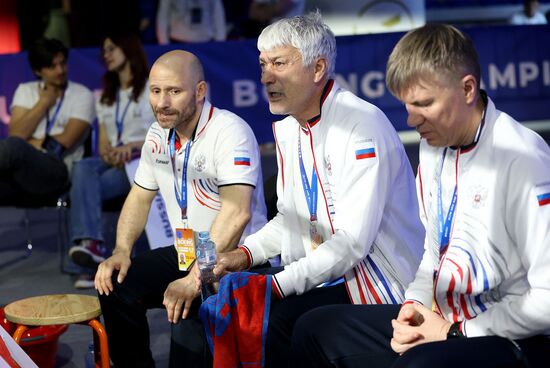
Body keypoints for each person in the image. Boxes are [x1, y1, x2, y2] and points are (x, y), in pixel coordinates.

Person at [289, 23, 550, 368]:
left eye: (424, 103)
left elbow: (546, 301)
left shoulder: (522, 159)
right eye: (406, 105)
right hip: (445, 319)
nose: (412, 119)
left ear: (468, 89)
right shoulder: (434, 145)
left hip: (513, 339)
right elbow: (434, 253)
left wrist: (454, 332)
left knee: (418, 365)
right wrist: (412, 308)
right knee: (314, 328)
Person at [214, 12, 424, 366]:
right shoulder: (292, 127)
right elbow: (292, 218)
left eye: (279, 63)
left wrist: (278, 283)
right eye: (263, 64)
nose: (266, 77)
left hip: (384, 285)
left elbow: (352, 243)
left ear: (317, 68)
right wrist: (244, 254)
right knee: (233, 306)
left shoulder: (360, 127)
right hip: (331, 272)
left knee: (280, 319)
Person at [95, 50, 267, 367]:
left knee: (186, 327)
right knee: (116, 286)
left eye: (174, 91)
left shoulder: (229, 132)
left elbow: (237, 213)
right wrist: (121, 250)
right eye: (156, 91)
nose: (162, 102)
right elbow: (139, 196)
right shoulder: (158, 134)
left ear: (200, 91)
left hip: (236, 260)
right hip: (187, 250)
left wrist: (195, 277)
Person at [67, 33, 154, 289]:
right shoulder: (107, 95)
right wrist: (109, 152)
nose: (106, 55)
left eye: (112, 48)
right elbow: (104, 143)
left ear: (128, 50)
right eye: (104, 50)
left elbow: (164, 132)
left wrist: (132, 147)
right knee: (83, 166)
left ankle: (88, 259)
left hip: (143, 159)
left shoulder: (151, 88)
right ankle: (91, 244)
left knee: (87, 185)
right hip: (115, 160)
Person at [1, 38, 94, 205]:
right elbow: (16, 134)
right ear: (38, 71)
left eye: (63, 63)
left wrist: (29, 142)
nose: (60, 70)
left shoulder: (82, 94)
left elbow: (64, 141)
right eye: (52, 66)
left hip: (58, 169)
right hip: (24, 170)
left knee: (14, 147)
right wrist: (43, 103)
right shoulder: (26, 90)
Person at [156, 0, 226, 44]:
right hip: (178, 42)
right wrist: (164, 45)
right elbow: (163, 17)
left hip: (206, 43)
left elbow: (218, 16)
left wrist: (219, 44)